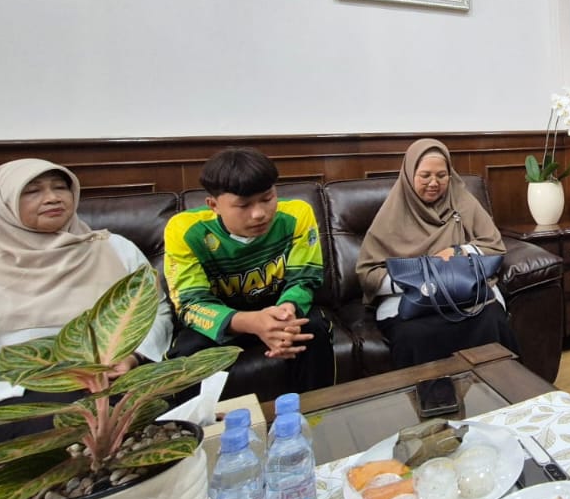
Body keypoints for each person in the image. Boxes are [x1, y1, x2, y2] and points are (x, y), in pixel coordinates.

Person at [0, 159, 173, 482]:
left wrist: (135, 355)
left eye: (60, 187)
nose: (52, 198)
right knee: (73, 429)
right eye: (32, 191)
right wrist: (54, 375)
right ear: (2, 204)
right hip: (16, 401)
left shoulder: (114, 249)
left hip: (111, 386)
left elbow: (157, 312)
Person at [163, 147, 333, 392]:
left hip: (280, 309)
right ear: (214, 205)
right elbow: (191, 304)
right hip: (222, 317)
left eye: (267, 198)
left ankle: (318, 411)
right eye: (243, 205)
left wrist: (288, 310)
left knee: (313, 329)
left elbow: (304, 278)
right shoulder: (185, 230)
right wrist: (251, 322)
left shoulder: (297, 214)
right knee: (186, 355)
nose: (259, 214)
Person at [356, 138, 517, 367]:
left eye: (442, 175)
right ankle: (434, 392)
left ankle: (496, 388)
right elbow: (368, 274)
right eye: (425, 176)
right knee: (412, 337)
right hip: (411, 301)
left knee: (492, 319)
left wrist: (458, 251)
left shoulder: (463, 202)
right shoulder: (392, 214)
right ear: (410, 175)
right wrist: (423, 277)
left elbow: (494, 246)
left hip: (465, 296)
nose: (434, 183)